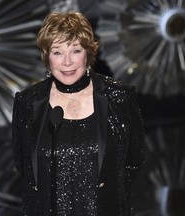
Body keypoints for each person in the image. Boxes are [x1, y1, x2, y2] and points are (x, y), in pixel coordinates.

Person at [12, 11, 145, 216]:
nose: (67, 62)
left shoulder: (119, 98)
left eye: (75, 50)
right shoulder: (28, 102)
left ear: (88, 54)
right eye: (57, 52)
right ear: (47, 57)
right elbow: (23, 167)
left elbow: (134, 162)